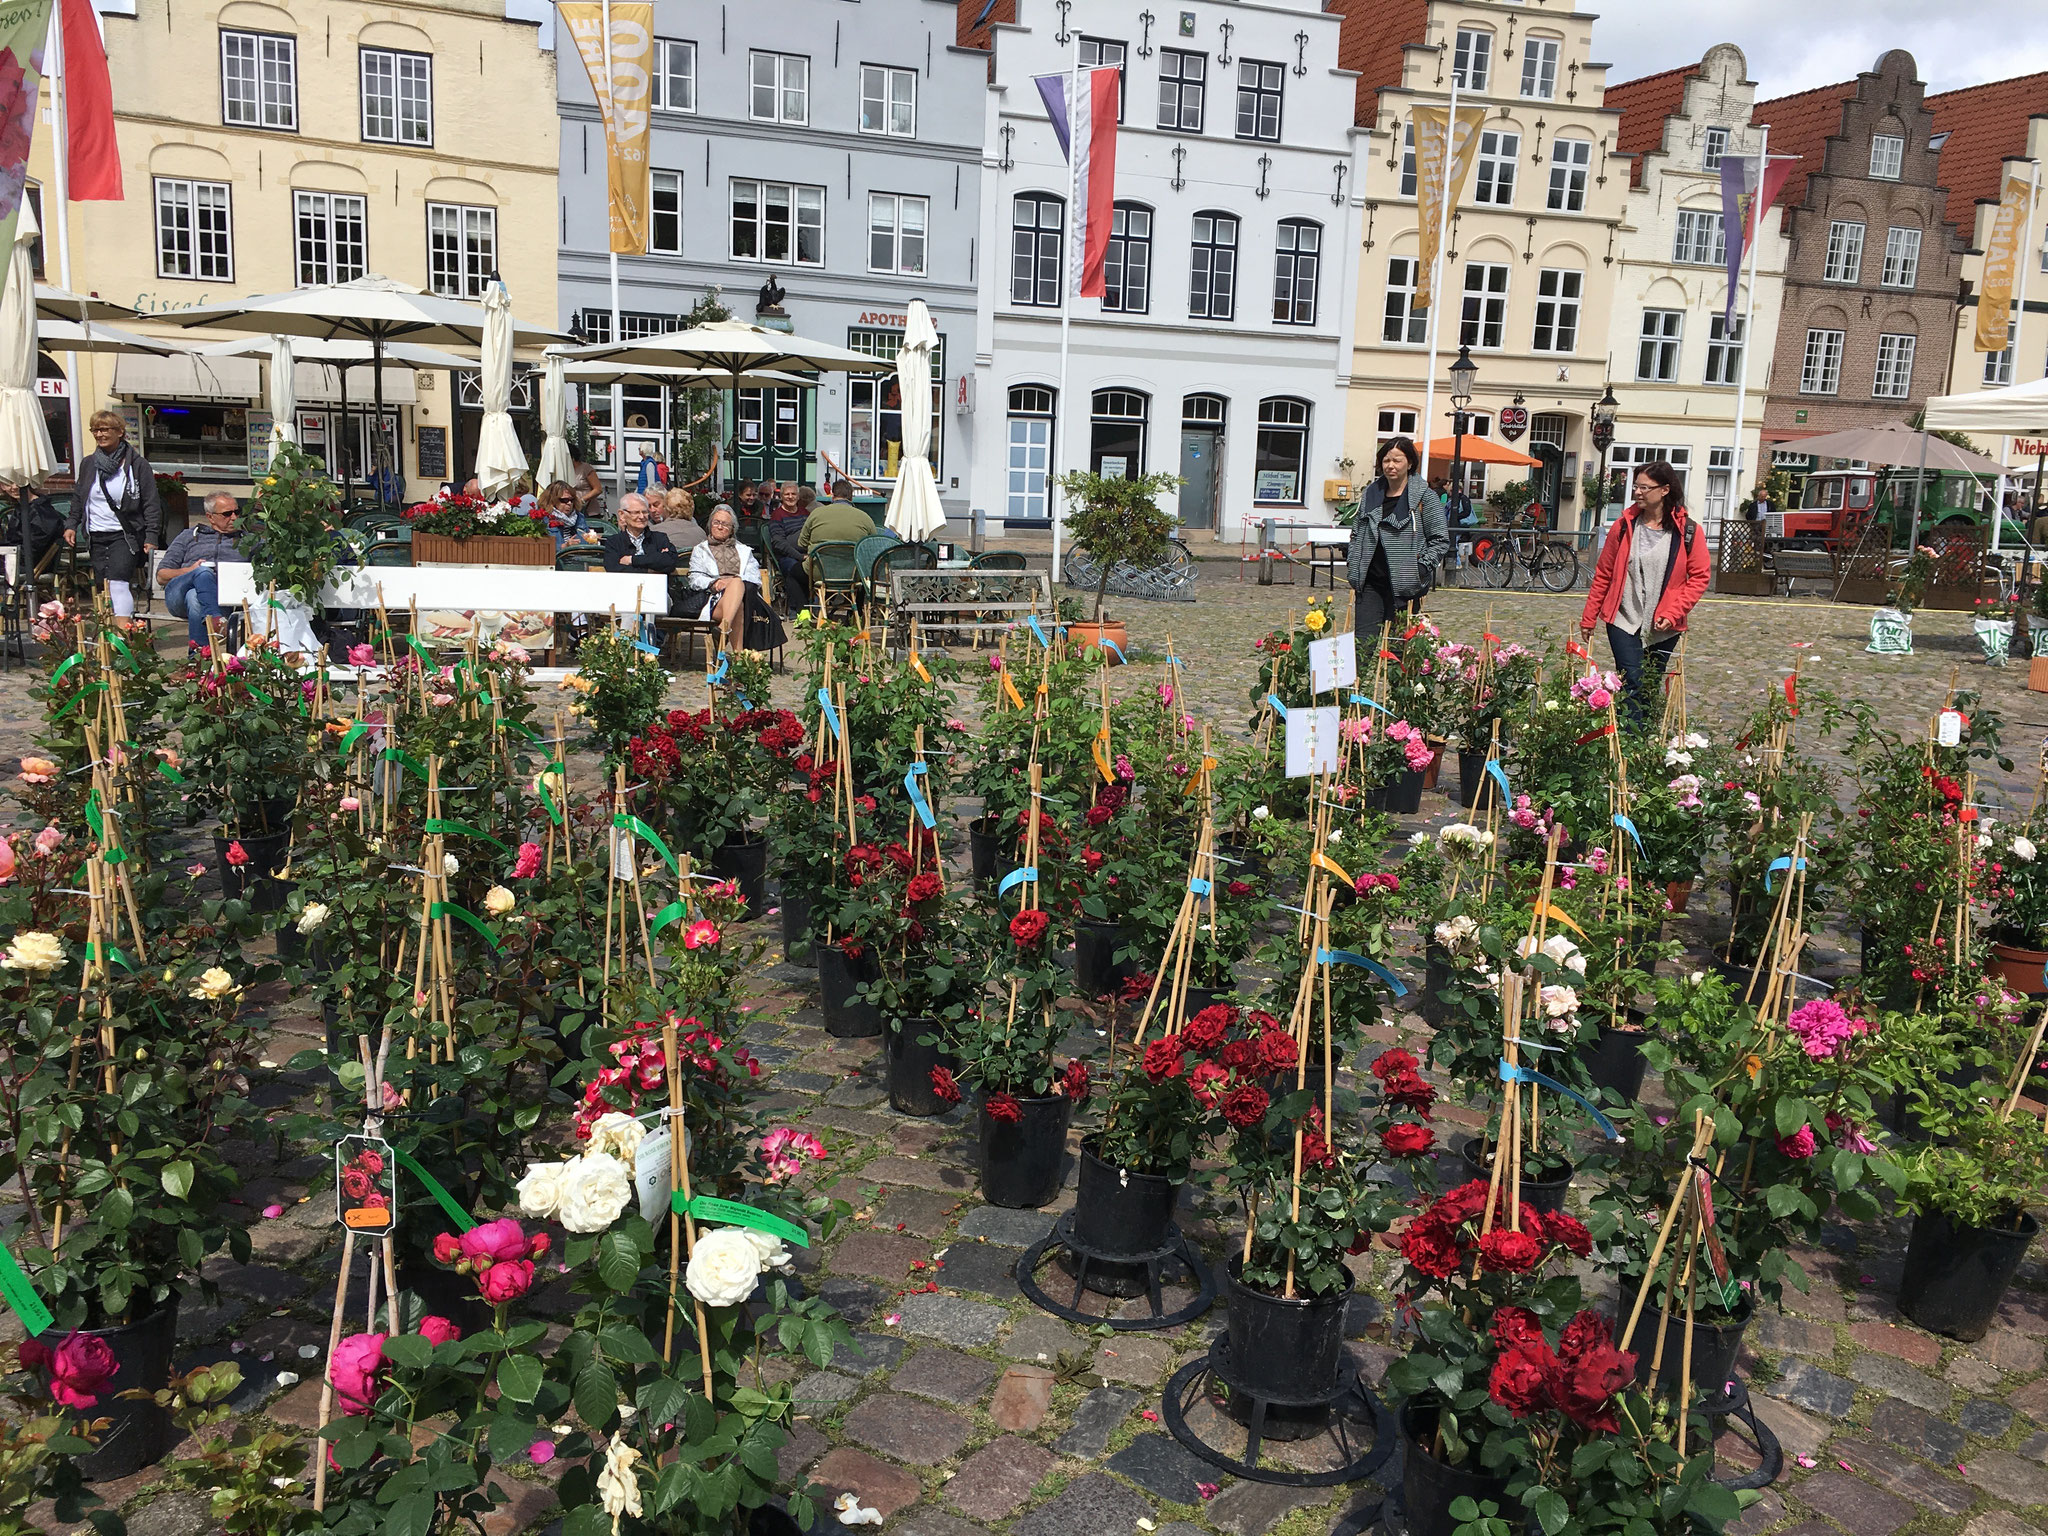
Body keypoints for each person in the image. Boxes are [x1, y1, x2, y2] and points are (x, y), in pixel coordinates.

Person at [1579, 459, 1711, 728]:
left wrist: (1674, 613)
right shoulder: (1624, 526)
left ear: (1664, 490)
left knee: (1650, 684)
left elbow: (1699, 577)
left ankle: (1646, 745)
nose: (1637, 492)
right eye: (1635, 487)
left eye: (1644, 487)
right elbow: (1603, 574)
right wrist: (1589, 617)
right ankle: (1629, 745)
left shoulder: (1687, 531)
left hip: (1664, 625)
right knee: (1632, 680)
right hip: (1622, 618)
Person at [64, 409, 163, 628]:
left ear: (119, 432)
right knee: (104, 586)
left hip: (125, 535)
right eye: (95, 430)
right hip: (96, 534)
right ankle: (109, 633)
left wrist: (151, 535)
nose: (99, 434)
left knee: (118, 582)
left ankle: (122, 634)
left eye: (104, 429)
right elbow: (79, 497)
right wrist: (72, 524)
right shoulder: (89, 464)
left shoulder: (138, 465)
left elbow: (150, 503)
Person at [1345, 436, 1447, 634]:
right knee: (1362, 647)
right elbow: (1356, 533)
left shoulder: (1425, 497)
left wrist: (1421, 568)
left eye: (1397, 460)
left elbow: (1440, 540)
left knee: (1398, 648)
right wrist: (1353, 561)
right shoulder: (1371, 494)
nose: (1390, 465)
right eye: (1386, 460)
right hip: (1370, 582)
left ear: (1409, 463)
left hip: (1405, 585)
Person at [688, 504, 787, 652]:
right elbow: (695, 578)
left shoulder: (744, 550)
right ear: (710, 525)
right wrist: (714, 583)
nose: (720, 527)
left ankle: (723, 628)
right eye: (716, 522)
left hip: (745, 598)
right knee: (737, 602)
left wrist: (732, 582)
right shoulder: (700, 550)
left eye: (725, 524)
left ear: (732, 528)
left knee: (737, 588)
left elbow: (754, 578)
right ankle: (738, 656)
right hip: (714, 598)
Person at [157, 492, 243, 651]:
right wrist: (190, 570)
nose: (234, 518)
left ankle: (197, 661)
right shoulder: (189, 536)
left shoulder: (248, 541)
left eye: (237, 512)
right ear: (210, 517)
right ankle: (217, 620)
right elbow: (161, 576)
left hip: (220, 600)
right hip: (178, 597)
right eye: (227, 514)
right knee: (202, 572)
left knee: (195, 597)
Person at [601, 493, 680, 579]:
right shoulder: (614, 542)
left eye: (645, 512)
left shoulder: (660, 538)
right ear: (622, 515)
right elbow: (614, 570)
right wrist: (651, 570)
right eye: (636, 512)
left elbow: (669, 562)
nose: (642, 516)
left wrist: (632, 560)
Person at [798, 488, 878, 551]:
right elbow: (874, 545)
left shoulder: (816, 513)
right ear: (851, 498)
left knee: (793, 569)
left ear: (832, 496)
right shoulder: (865, 517)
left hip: (818, 568)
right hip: (853, 569)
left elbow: (802, 543)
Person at [539, 479, 596, 549]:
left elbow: (587, 542)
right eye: (565, 500)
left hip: (580, 556)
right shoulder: (544, 519)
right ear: (553, 501)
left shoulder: (578, 516)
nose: (569, 503)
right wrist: (565, 546)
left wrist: (593, 539)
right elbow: (542, 548)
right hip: (558, 558)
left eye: (571, 500)